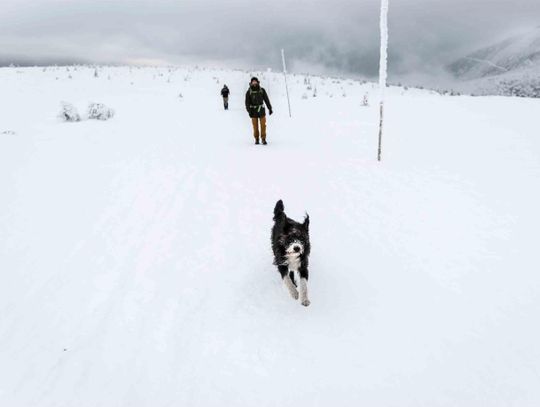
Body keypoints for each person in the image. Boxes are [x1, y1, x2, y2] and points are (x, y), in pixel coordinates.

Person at [245, 77, 272, 145]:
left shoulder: (262, 90)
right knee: (255, 126)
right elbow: (247, 103)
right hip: (253, 111)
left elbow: (266, 100)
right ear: (251, 83)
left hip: (261, 110)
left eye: (255, 82)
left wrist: (270, 108)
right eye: (253, 82)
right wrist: (249, 111)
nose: (254, 83)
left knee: (263, 125)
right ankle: (256, 139)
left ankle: (263, 139)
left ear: (257, 82)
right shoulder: (249, 92)